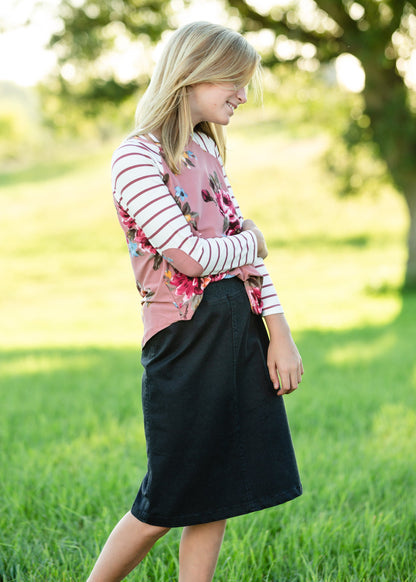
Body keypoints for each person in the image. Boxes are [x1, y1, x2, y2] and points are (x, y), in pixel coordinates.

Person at [87, 20, 304, 582]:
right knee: (169, 494)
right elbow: (187, 255)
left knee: (219, 487)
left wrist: (280, 334)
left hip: (238, 328)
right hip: (183, 340)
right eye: (234, 80)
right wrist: (251, 238)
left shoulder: (206, 151)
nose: (242, 94)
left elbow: (245, 263)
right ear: (193, 73)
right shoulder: (135, 158)